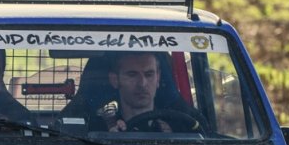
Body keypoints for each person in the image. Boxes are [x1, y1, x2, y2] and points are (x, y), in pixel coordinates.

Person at [65, 52, 204, 133]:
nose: (142, 83)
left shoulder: (182, 126)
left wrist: (172, 139)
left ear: (158, 78)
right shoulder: (93, 129)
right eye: (132, 74)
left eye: (149, 74)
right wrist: (108, 141)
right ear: (114, 79)